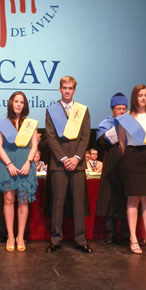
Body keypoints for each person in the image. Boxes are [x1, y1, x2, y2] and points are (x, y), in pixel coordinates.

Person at [45, 76, 92, 254]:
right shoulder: (51, 110)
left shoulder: (82, 110)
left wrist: (77, 157)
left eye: (70, 88)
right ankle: (56, 240)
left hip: (78, 164)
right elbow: (50, 137)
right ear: (59, 89)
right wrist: (64, 159)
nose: (67, 91)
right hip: (59, 164)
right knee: (58, 203)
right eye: (64, 88)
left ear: (74, 90)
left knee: (78, 204)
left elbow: (86, 136)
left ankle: (81, 240)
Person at [116, 84, 146, 254]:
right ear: (134, 97)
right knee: (133, 199)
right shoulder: (125, 117)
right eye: (140, 95)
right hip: (133, 157)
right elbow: (121, 142)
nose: (143, 98)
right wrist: (129, 157)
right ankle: (133, 238)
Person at [0, 91, 38, 252]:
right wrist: (9, 164)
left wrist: (29, 162)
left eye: (22, 102)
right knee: (9, 199)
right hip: (8, 164)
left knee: (24, 200)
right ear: (11, 103)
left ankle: (20, 236)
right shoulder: (2, 123)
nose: (19, 104)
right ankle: (10, 236)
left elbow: (34, 145)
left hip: (25, 164)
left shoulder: (30, 124)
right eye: (16, 101)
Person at [95, 93, 129, 244]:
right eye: (118, 109)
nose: (121, 111)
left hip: (128, 162)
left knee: (127, 197)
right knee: (110, 197)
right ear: (112, 110)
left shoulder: (132, 123)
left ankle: (126, 233)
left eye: (123, 109)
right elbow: (102, 142)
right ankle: (110, 232)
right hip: (111, 162)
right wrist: (119, 127)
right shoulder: (106, 123)